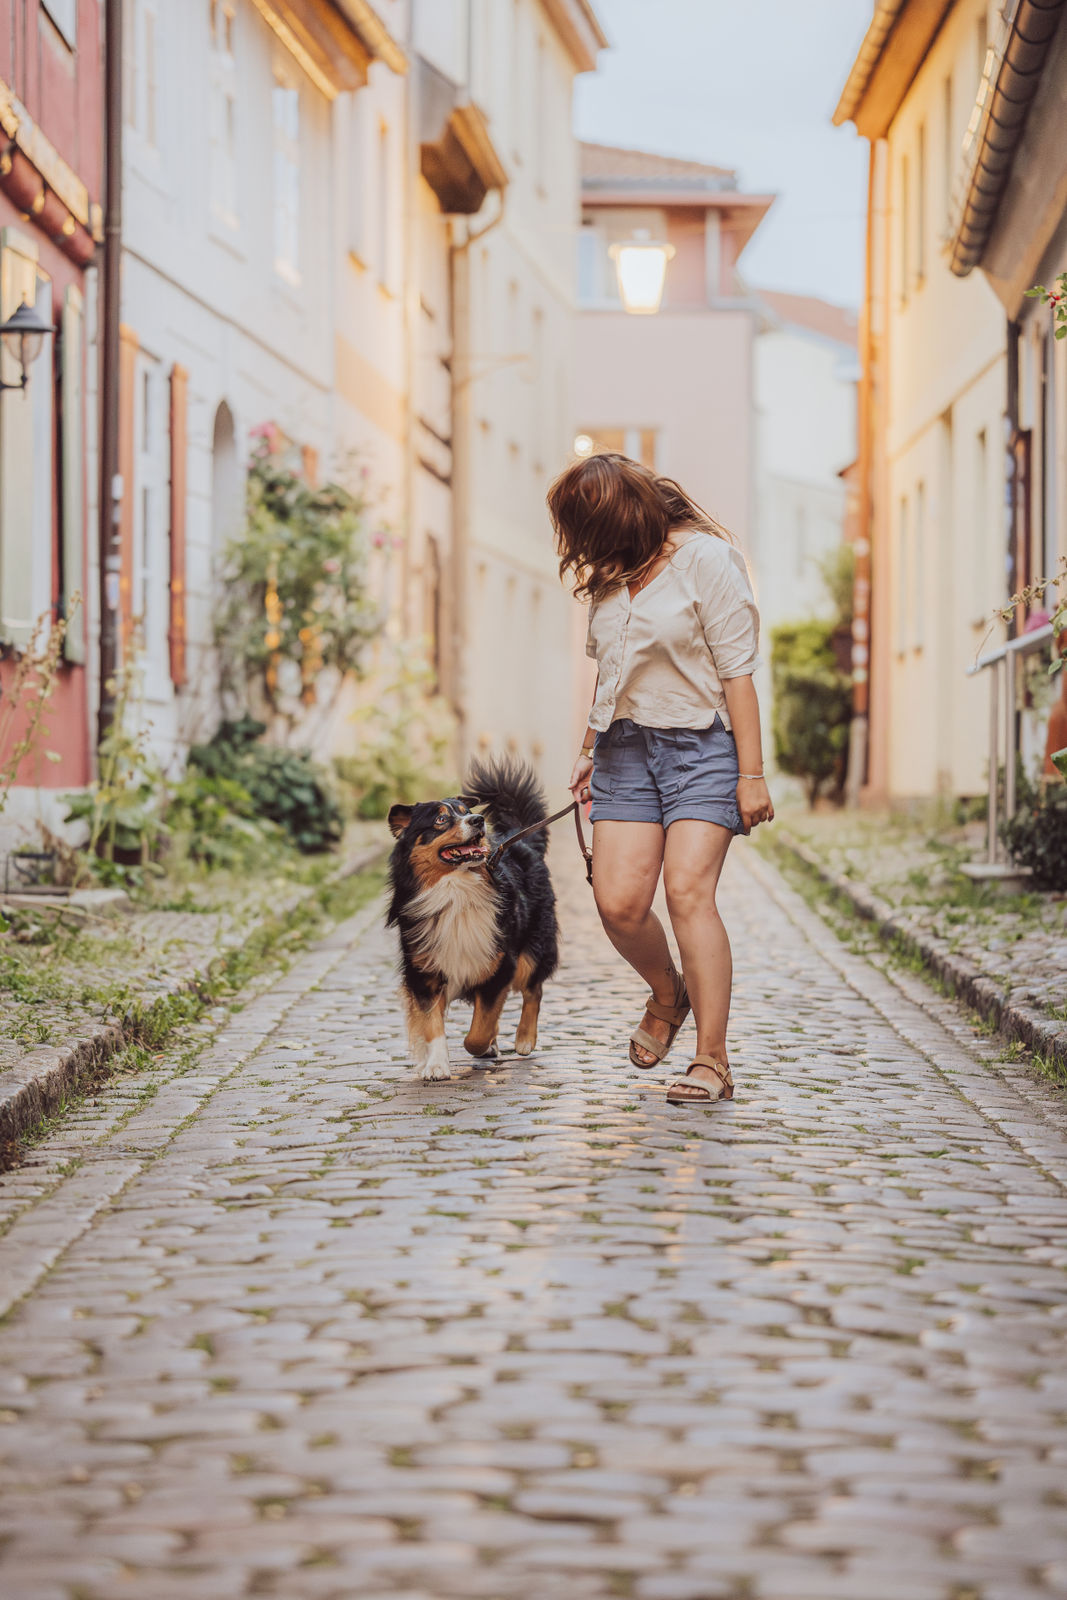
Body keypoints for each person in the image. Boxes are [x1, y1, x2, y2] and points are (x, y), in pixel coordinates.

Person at [547, 452, 773, 1106]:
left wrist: (750, 775)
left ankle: (711, 1060)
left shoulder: (705, 559)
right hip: (623, 749)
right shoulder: (610, 576)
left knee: (686, 894)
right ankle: (667, 993)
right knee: (616, 903)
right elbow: (610, 669)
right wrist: (589, 746)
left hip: (703, 747)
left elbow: (737, 674)